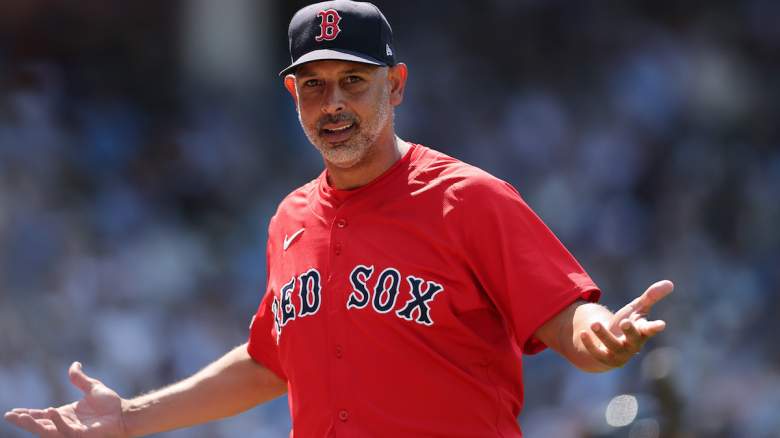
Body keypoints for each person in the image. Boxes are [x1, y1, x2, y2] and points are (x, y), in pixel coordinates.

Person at [4, 1, 674, 437]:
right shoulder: (290, 218)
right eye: (314, 85)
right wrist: (130, 418)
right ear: (292, 93)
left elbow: (567, 320)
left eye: (354, 81)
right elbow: (272, 363)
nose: (333, 104)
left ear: (396, 84)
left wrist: (600, 334)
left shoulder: (469, 198)